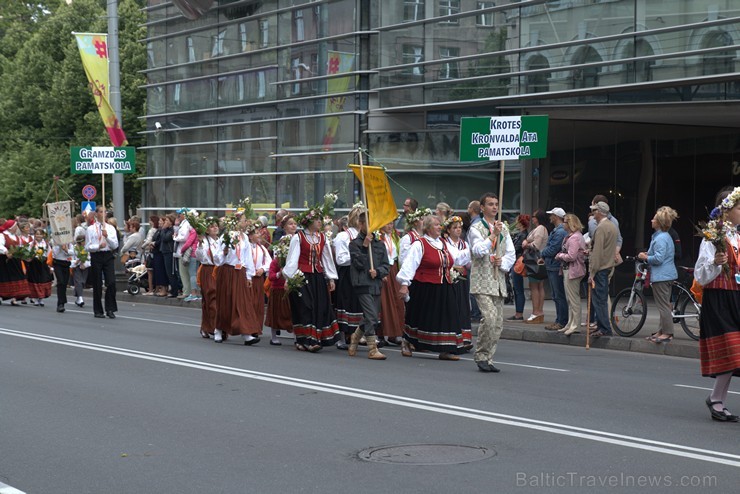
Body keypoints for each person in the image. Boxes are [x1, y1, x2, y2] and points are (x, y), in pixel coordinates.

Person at [694, 187, 740, 422]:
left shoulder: (737, 236)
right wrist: (715, 261)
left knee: (736, 354)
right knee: (732, 351)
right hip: (719, 299)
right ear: (726, 210)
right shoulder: (712, 236)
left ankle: (717, 399)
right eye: (739, 208)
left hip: (735, 298)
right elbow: (700, 275)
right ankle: (715, 399)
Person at [397, 215, 469, 361]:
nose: (439, 227)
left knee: (448, 316)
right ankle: (407, 341)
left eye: (440, 225)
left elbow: (458, 258)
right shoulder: (420, 244)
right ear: (428, 228)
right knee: (418, 316)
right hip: (424, 287)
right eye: (436, 225)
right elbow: (410, 264)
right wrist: (404, 284)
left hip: (444, 286)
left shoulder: (443, 243)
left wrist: (478, 248)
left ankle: (446, 349)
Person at [468, 193, 516, 372]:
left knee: (497, 324)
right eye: (490, 204)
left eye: (496, 204)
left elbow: (511, 253)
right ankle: (480, 354)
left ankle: (488, 358)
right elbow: (478, 250)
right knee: (488, 318)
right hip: (482, 280)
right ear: (482, 207)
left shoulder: (503, 229)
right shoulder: (476, 228)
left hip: (497, 281)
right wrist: (491, 237)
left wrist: (501, 262)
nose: (494, 207)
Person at [283, 205, 340, 352]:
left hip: (318, 277)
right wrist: (289, 279)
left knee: (320, 306)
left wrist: (331, 278)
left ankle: (313, 340)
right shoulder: (298, 237)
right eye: (317, 219)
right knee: (305, 306)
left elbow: (327, 259)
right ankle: (303, 339)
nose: (320, 222)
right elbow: (292, 259)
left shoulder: (322, 238)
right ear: (309, 222)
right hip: (302, 276)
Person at [348, 212, 390, 360]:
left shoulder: (380, 244)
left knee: (369, 316)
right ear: (360, 225)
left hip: (376, 283)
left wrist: (378, 272)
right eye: (367, 224)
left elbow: (386, 266)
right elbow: (358, 264)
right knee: (372, 316)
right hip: (362, 283)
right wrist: (364, 247)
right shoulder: (354, 244)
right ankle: (373, 348)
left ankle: (355, 337)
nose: (371, 227)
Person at [637, 206, 679, 343]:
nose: (651, 220)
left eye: (654, 218)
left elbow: (659, 259)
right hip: (667, 274)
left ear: (659, 222)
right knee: (664, 304)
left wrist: (645, 257)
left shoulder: (660, 238)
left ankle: (667, 332)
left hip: (662, 276)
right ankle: (662, 331)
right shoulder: (664, 236)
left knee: (663, 306)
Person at [213, 212, 257, 344]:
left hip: (240, 272)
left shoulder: (244, 237)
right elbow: (217, 258)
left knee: (242, 302)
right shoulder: (226, 236)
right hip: (227, 271)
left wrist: (249, 275)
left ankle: (246, 333)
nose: (246, 223)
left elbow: (247, 257)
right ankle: (219, 329)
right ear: (236, 222)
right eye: (244, 220)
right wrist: (224, 252)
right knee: (225, 301)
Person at [333, 206, 365, 349]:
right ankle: (341, 338)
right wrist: (358, 258)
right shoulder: (343, 236)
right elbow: (341, 259)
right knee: (346, 304)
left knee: (360, 304)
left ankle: (358, 335)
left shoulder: (366, 236)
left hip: (361, 275)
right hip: (347, 274)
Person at [588, 201, 618, 337]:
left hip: (600, 267)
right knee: (601, 298)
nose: (593, 213)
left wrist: (592, 272)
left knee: (599, 299)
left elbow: (598, 251)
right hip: (607, 265)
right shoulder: (612, 226)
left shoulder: (601, 228)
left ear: (599, 212)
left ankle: (604, 327)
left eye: (594, 211)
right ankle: (602, 325)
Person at [444, 215, 473, 350]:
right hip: (450, 276)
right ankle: (453, 337)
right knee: (452, 306)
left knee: (463, 306)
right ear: (448, 230)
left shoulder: (464, 243)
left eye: (460, 227)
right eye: (454, 228)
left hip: (462, 278)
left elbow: (468, 262)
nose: (458, 230)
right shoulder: (444, 243)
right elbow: (451, 259)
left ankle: (465, 338)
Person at [555, 214, 587, 336]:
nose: (563, 224)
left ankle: (575, 325)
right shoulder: (573, 236)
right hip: (569, 270)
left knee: (573, 299)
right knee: (570, 298)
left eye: (565, 222)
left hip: (572, 270)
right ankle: (570, 323)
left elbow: (571, 256)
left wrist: (560, 256)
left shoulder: (574, 238)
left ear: (570, 224)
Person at [85, 207, 119, 318]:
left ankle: (110, 309)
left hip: (108, 255)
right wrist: (97, 246)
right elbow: (87, 246)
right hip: (96, 255)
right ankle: (98, 310)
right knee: (97, 283)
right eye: (101, 211)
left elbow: (115, 245)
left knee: (111, 282)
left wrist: (107, 237)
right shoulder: (90, 229)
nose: (103, 214)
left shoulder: (110, 228)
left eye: (105, 212)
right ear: (96, 214)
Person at [378, 221, 404, 345]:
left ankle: (396, 332)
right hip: (384, 269)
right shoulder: (377, 237)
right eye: (387, 224)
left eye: (392, 224)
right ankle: (382, 333)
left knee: (397, 299)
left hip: (393, 269)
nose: (390, 226)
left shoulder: (393, 236)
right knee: (384, 302)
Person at [542, 207, 568, 331]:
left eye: (551, 215)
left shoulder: (560, 232)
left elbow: (552, 249)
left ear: (556, 217)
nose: (550, 217)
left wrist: (542, 253)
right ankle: (559, 320)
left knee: (558, 295)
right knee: (557, 294)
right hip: (553, 264)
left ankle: (561, 320)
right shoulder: (559, 230)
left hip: (555, 265)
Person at [195, 218, 221, 339]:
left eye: (216, 226)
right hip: (208, 270)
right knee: (211, 298)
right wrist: (200, 244)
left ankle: (207, 327)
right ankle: (214, 327)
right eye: (212, 226)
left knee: (217, 300)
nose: (215, 228)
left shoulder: (221, 240)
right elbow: (199, 256)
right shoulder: (204, 241)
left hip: (219, 270)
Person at [247, 221, 272, 342]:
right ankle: (249, 327)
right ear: (250, 236)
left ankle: (256, 328)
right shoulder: (246, 246)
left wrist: (263, 269)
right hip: (248, 278)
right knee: (249, 302)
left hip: (258, 278)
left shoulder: (261, 248)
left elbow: (269, 261)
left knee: (258, 303)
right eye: (257, 233)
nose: (259, 235)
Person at [522, 209, 548, 323]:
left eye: (534, 216)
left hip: (534, 260)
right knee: (539, 286)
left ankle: (536, 312)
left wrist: (526, 244)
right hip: (539, 260)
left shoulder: (540, 228)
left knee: (534, 286)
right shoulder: (541, 228)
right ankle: (539, 312)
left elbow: (536, 245)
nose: (532, 218)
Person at [0, 220, 32, 305]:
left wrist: (26, 256)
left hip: (16, 261)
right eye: (15, 227)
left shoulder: (17, 237)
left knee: (18, 277)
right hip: (5, 261)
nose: (16, 228)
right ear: (10, 228)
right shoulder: (3, 235)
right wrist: (6, 251)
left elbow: (21, 248)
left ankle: (14, 298)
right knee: (4, 278)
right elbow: (0, 245)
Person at [507, 214, 530, 321]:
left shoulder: (522, 235)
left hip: (518, 263)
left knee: (518, 289)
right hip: (517, 263)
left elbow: (515, 249)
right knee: (517, 289)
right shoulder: (522, 234)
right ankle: (518, 312)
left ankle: (519, 313)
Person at [27, 229, 53, 306]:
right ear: (34, 235)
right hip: (34, 264)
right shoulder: (31, 244)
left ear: (43, 235)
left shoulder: (46, 244)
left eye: (40, 234)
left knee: (43, 280)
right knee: (35, 280)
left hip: (43, 264)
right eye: (37, 234)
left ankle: (41, 298)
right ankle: (35, 298)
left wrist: (51, 267)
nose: (38, 236)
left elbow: (49, 255)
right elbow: (28, 254)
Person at [158, 214, 180, 298]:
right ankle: (173, 289)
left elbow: (165, 238)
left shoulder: (171, 230)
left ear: (171, 222)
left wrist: (163, 229)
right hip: (165, 251)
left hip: (169, 252)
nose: (165, 222)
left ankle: (175, 290)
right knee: (168, 272)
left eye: (167, 221)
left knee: (171, 272)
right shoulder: (167, 230)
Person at [52, 235, 74, 313]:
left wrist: (66, 250)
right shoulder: (55, 241)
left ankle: (62, 302)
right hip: (58, 263)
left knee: (64, 283)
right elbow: (54, 253)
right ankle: (60, 304)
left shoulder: (69, 243)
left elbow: (72, 252)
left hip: (66, 263)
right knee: (60, 282)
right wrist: (60, 246)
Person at [173, 208, 192, 298]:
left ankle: (186, 291)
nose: (178, 216)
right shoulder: (184, 223)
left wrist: (175, 238)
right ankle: (187, 290)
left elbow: (184, 237)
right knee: (185, 273)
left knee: (184, 273)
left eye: (180, 214)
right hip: (182, 250)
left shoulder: (186, 224)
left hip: (183, 251)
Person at [71, 234, 89, 307]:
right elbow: (71, 257)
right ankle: (81, 298)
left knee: (83, 282)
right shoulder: (74, 248)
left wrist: (85, 264)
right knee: (79, 281)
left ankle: (78, 297)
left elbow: (89, 258)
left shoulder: (86, 248)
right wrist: (76, 262)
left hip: (85, 267)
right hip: (77, 267)